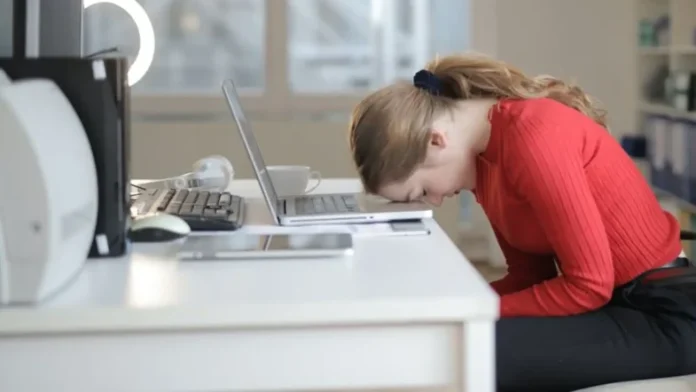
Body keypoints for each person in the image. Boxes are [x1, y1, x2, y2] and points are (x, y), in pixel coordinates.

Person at [348, 53, 696, 392]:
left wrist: (474, 307)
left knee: (473, 352)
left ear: (435, 140)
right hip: (618, 305)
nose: (435, 200)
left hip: (665, 314)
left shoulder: (532, 135)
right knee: (448, 341)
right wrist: (446, 306)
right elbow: (530, 277)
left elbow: (589, 286)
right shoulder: (483, 163)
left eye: (422, 189)